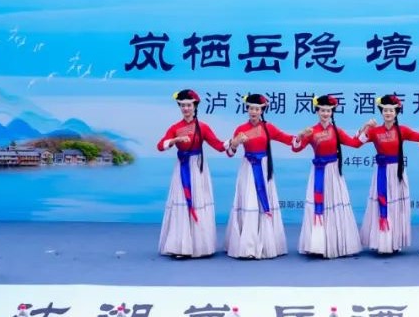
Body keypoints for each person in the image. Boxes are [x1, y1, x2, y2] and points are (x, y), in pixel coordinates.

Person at [155, 88, 226, 258]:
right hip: (182, 168)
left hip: (198, 168)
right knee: (181, 202)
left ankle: (200, 246)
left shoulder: (202, 127)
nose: (186, 108)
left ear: (195, 106)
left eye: (189, 105)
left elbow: (219, 146)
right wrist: (175, 140)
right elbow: (160, 146)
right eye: (182, 105)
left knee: (198, 201)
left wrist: (234, 142)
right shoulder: (175, 128)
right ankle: (180, 246)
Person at [225, 93, 295, 259]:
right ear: (247, 109)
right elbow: (230, 152)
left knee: (263, 202)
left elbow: (287, 139)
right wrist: (235, 143)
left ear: (262, 110)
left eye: (257, 109)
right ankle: (247, 246)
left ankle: (266, 243)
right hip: (248, 169)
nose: (254, 112)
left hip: (263, 168)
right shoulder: (240, 129)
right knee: (249, 200)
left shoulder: (268, 127)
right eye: (251, 108)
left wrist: (301, 137)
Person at [293, 94, 364, 258]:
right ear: (317, 111)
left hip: (334, 173)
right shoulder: (311, 131)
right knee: (318, 206)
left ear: (332, 112)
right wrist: (300, 136)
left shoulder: (336, 131)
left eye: (328, 111)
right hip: (318, 171)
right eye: (322, 110)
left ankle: (336, 244)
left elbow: (355, 143)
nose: (325, 114)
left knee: (335, 205)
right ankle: (317, 245)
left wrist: (365, 128)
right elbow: (296, 149)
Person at [357, 94, 419, 254]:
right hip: (381, 172)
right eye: (385, 110)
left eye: (391, 110)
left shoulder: (402, 130)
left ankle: (394, 241)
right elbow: (357, 142)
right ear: (381, 112)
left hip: (397, 172)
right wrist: (366, 126)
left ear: (396, 112)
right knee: (381, 203)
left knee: (395, 205)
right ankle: (380, 241)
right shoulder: (374, 131)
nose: (388, 113)